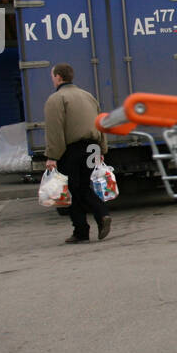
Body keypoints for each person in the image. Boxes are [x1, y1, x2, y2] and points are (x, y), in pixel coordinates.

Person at [43, 63, 111, 244]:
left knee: (72, 190)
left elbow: (55, 130)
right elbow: (100, 122)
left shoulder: (56, 99)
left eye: (52, 76)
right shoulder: (88, 96)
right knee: (86, 186)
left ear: (58, 77)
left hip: (71, 150)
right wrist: (101, 149)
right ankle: (102, 215)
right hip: (92, 147)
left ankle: (81, 230)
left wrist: (52, 156)